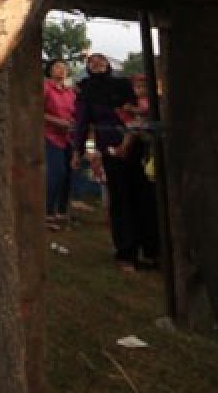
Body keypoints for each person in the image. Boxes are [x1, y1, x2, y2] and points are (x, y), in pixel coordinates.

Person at [71, 53, 158, 271]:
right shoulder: (85, 92)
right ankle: (126, 253)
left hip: (138, 147)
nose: (97, 63)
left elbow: (140, 108)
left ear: (108, 64)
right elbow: (81, 123)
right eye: (92, 62)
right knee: (121, 200)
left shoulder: (122, 84)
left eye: (101, 60)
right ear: (88, 68)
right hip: (110, 149)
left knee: (146, 198)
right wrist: (78, 150)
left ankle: (152, 251)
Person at [42, 58, 76, 228]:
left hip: (69, 138)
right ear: (50, 70)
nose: (61, 70)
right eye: (57, 67)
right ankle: (46, 213)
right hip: (50, 136)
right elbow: (36, 110)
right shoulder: (45, 87)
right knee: (57, 173)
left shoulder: (70, 92)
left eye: (64, 67)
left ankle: (61, 212)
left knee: (69, 174)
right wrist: (57, 121)